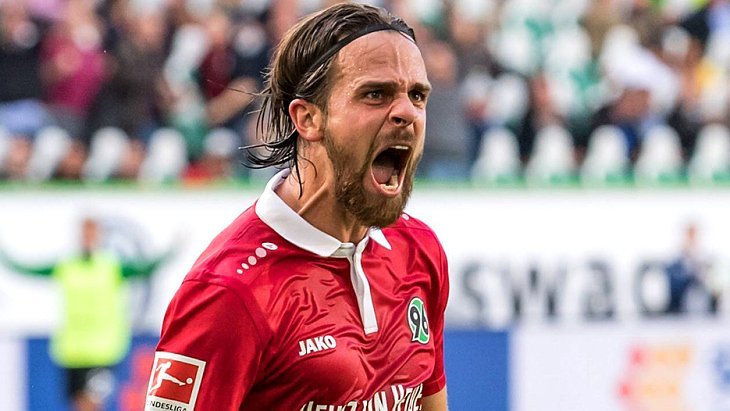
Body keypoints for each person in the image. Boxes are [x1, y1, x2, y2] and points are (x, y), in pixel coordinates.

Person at [145, 3, 449, 411]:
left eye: (417, 95)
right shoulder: (228, 293)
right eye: (375, 94)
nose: (407, 113)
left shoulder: (419, 251)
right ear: (307, 119)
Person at [0, 216, 172, 411]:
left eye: (92, 234)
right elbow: (29, 269)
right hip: (72, 351)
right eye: (85, 234)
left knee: (92, 402)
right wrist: (5, 256)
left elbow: (145, 268)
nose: (88, 238)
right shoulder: (67, 266)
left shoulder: (111, 267)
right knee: (78, 403)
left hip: (103, 351)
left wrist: (173, 249)